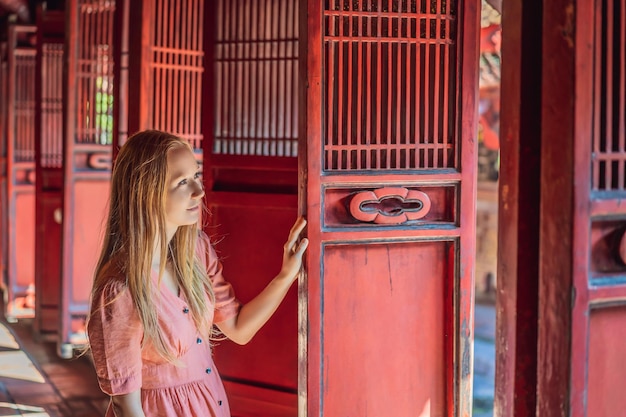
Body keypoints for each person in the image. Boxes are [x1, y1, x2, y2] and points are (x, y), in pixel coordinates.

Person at [86, 129, 308, 417]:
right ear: (146, 191)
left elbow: (239, 329)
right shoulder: (119, 289)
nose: (199, 191)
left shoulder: (196, 251)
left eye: (196, 176)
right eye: (183, 182)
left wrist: (285, 276)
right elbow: (125, 404)